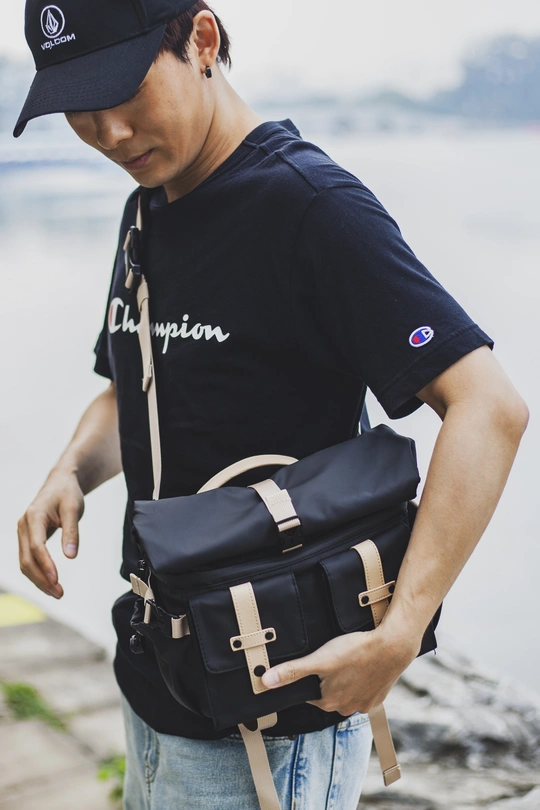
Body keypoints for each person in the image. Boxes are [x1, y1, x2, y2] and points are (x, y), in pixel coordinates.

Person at [15, 1, 529, 809]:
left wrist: (400, 633)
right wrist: (70, 472)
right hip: (159, 682)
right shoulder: (150, 202)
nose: (108, 132)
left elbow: (489, 407)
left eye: (123, 91)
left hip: (271, 722)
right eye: (79, 107)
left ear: (202, 40)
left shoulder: (309, 205)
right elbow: (134, 381)